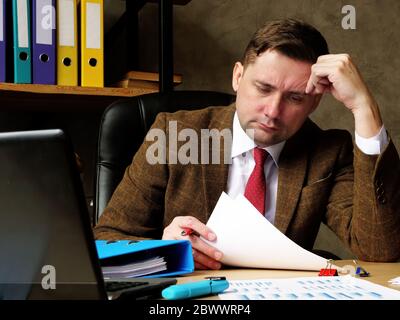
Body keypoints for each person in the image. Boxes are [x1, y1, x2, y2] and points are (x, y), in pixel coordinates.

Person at [94, 19, 400, 269]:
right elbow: (105, 241)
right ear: (238, 76)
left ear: (314, 101)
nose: (272, 111)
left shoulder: (327, 152)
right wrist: (165, 248)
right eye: (263, 88)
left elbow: (381, 249)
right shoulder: (175, 134)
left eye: (295, 98)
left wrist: (364, 107)